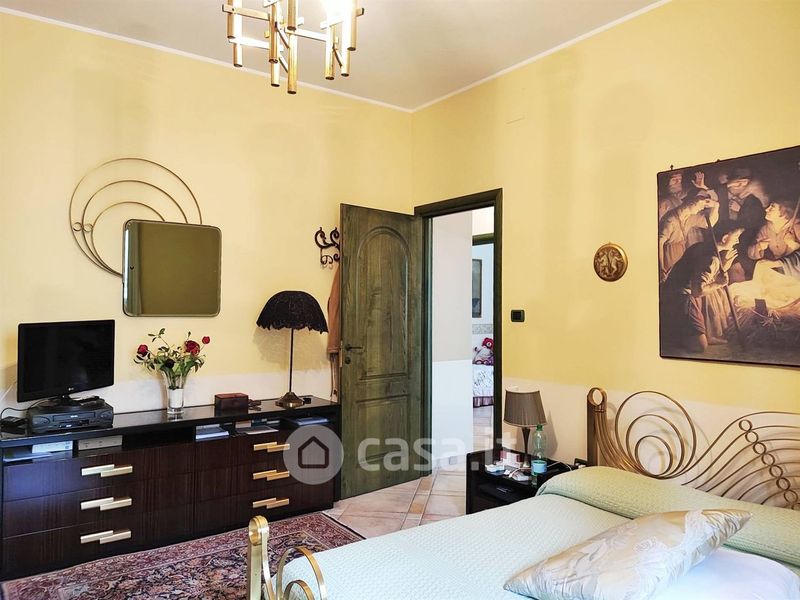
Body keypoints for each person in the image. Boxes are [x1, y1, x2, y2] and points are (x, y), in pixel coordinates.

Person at [660, 228, 744, 353]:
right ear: (725, 238)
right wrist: (719, 284)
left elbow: (702, 278)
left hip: (674, 292)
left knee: (711, 296)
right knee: (700, 346)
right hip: (681, 298)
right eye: (736, 237)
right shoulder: (711, 258)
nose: (737, 241)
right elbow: (698, 291)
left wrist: (724, 264)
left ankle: (701, 333)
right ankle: (676, 337)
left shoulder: (700, 246)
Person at [658, 194, 719, 282]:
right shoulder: (671, 220)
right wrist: (661, 267)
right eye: (699, 206)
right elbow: (659, 242)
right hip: (669, 254)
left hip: (681, 252)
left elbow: (709, 223)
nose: (701, 208)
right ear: (691, 204)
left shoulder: (688, 218)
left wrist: (716, 206)